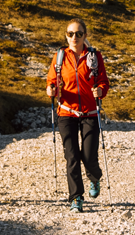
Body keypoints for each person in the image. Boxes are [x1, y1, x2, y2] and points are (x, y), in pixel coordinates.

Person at [47, 18, 111, 212]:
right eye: (70, 34)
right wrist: (51, 89)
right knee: (72, 156)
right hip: (66, 112)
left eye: (78, 34)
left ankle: (95, 177)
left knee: (89, 155)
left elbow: (103, 81)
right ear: (66, 36)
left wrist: (100, 90)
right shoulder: (59, 56)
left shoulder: (94, 56)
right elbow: (52, 79)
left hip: (90, 113)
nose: (74, 37)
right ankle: (76, 197)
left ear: (85, 36)